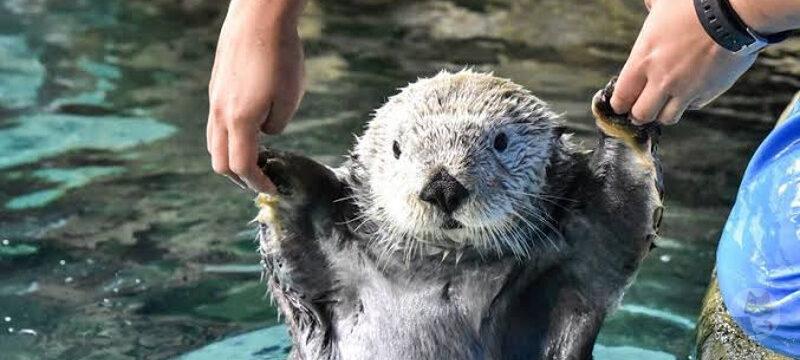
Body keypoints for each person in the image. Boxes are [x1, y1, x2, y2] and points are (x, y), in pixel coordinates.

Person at [207, 0, 800, 353]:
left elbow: (612, 227)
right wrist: (260, 18)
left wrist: (727, 15)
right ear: (362, 170)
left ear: (552, 168)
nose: (447, 181)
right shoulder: (345, 244)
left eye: (497, 148)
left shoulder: (565, 254)